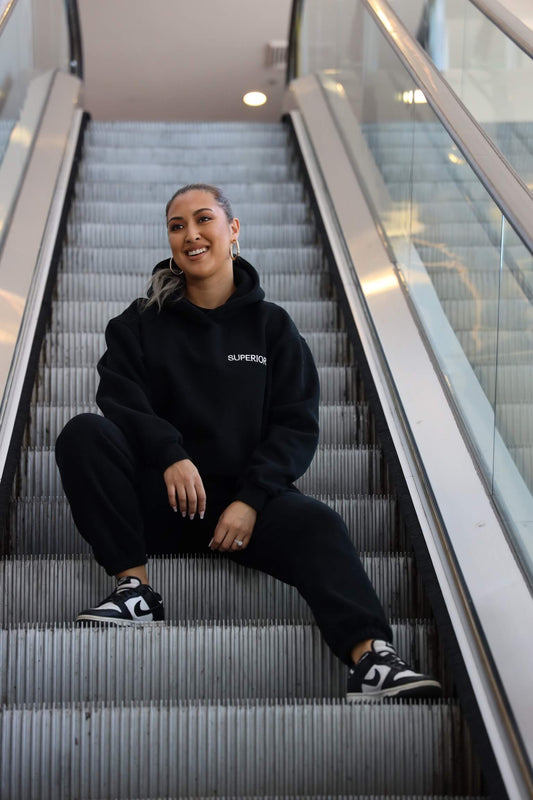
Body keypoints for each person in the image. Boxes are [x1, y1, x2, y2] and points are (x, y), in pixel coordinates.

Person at [55, 183, 441, 700]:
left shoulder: (272, 327)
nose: (191, 234)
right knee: (84, 433)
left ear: (232, 230)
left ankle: (371, 660)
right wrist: (170, 455)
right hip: (158, 500)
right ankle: (134, 590)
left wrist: (251, 499)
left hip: (241, 512)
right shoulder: (140, 322)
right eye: (177, 225)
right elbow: (119, 397)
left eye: (203, 219)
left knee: (319, 522)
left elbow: (295, 424)